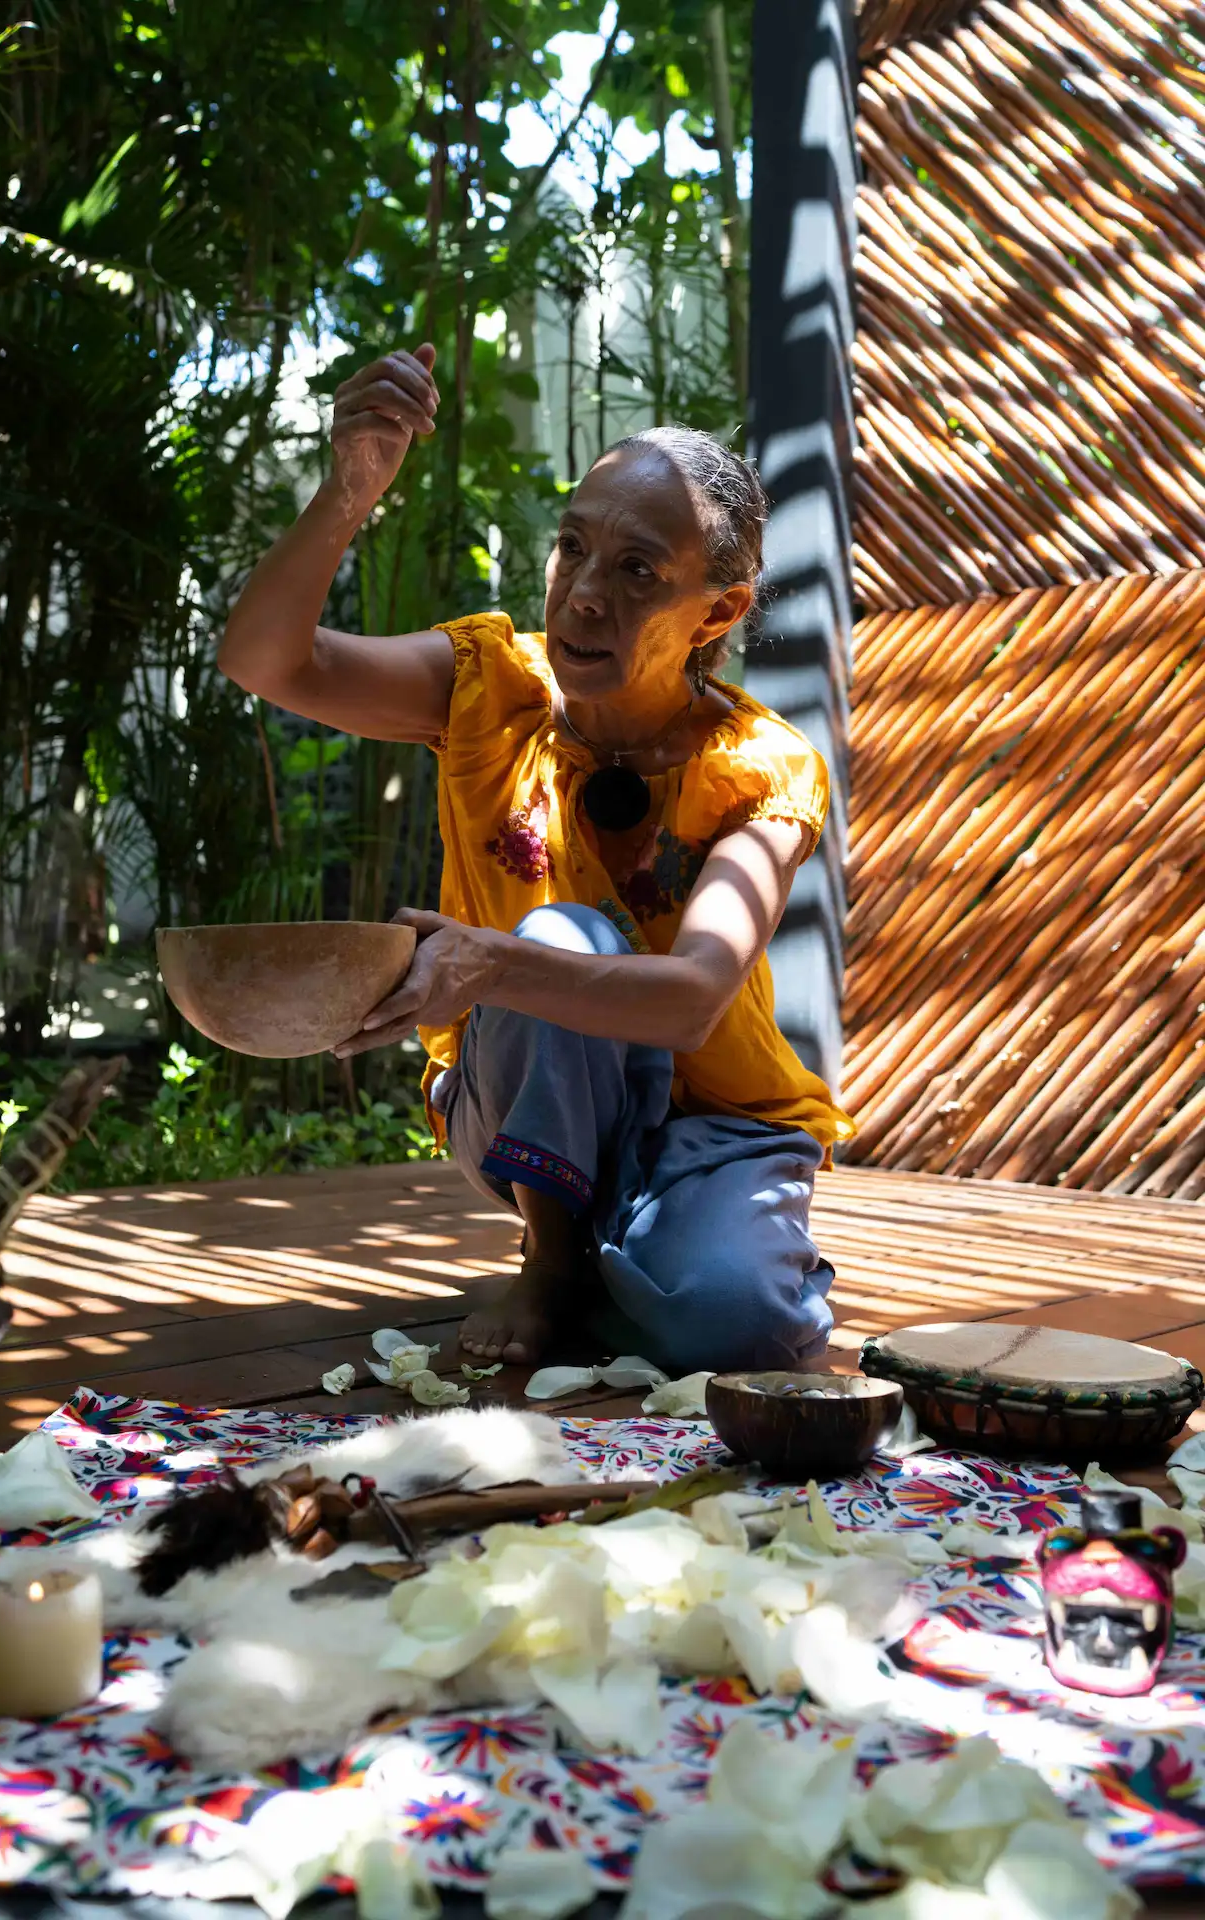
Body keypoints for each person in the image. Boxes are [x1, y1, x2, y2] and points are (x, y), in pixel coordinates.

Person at [218, 342, 854, 1373]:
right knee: (560, 932)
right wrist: (348, 491)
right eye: (572, 548)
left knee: (736, 1330)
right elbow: (264, 660)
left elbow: (693, 996)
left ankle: (656, 1255)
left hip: (718, 1127)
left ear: (719, 612)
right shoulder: (487, 692)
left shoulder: (757, 766)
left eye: (638, 569)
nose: (584, 594)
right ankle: (554, 1262)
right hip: (515, 1095)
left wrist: (486, 963)